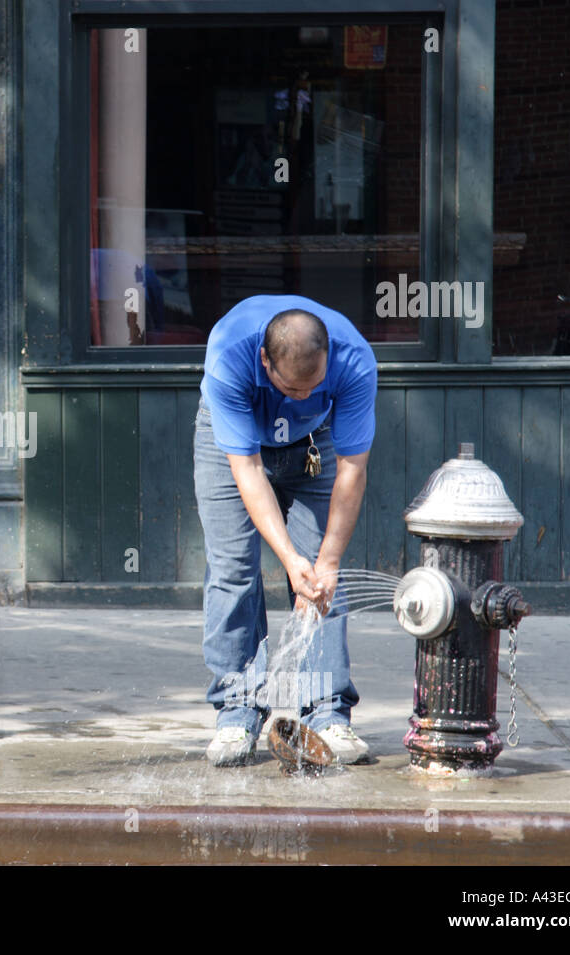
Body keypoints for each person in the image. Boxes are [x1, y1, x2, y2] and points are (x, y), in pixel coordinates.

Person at [194, 294, 377, 766]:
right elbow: (248, 471)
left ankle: (327, 713)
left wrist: (324, 562)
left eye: (312, 388)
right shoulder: (229, 356)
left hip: (314, 445)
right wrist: (287, 559)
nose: (301, 397)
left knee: (322, 581)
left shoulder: (354, 360)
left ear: (328, 361)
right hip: (236, 449)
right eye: (290, 389)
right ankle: (236, 714)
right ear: (264, 361)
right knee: (234, 570)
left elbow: (353, 472)